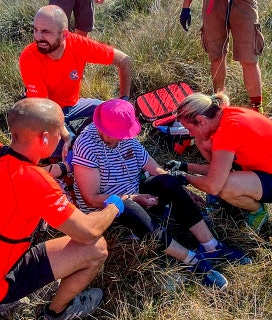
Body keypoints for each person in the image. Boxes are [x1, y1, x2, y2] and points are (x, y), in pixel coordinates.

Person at [0, 98, 125, 320]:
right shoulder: (36, 184)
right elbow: (89, 232)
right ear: (45, 138)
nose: (62, 136)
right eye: (60, 131)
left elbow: (20, 174)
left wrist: (64, 167)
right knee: (97, 249)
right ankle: (57, 313)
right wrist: (115, 205)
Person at [72, 99, 252, 290]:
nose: (120, 139)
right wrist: (133, 198)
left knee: (168, 181)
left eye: (123, 136)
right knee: (128, 207)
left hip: (135, 191)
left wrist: (183, 192)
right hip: (108, 208)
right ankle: (191, 261)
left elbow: (154, 168)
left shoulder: (124, 136)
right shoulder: (87, 146)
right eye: (115, 136)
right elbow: (91, 198)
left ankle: (211, 246)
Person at [166, 92, 272, 234]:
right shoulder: (225, 116)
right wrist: (185, 166)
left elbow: (213, 186)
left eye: (189, 129)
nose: (191, 134)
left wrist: (185, 178)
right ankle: (241, 188)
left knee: (223, 187)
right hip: (259, 167)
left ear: (201, 120)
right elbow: (217, 169)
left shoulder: (228, 131)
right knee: (202, 141)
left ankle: (258, 212)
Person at [19, 4, 132, 161]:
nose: (38, 37)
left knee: (107, 114)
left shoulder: (79, 45)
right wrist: (66, 136)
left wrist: (124, 101)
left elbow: (124, 60)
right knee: (58, 148)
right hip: (45, 111)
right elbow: (45, 111)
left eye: (45, 32)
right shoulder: (30, 58)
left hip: (73, 104)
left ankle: (80, 138)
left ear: (64, 34)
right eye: (36, 30)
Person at [179, 0, 265, 112]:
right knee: (217, 57)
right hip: (213, 5)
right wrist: (186, 6)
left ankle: (257, 108)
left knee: (249, 59)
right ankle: (219, 104)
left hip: (243, 4)